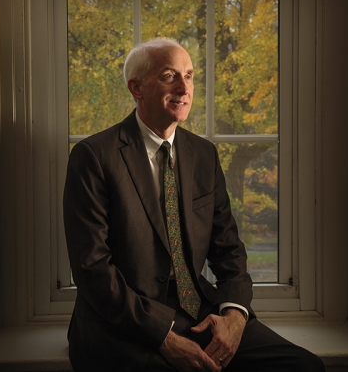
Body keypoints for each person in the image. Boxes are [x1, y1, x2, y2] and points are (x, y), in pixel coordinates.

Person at [63, 38, 325, 372]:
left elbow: (228, 249)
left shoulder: (203, 155)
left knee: (305, 367)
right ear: (137, 88)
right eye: (169, 76)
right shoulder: (94, 157)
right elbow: (93, 269)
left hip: (199, 311)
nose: (184, 87)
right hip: (122, 325)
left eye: (189, 75)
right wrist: (164, 337)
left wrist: (233, 316)